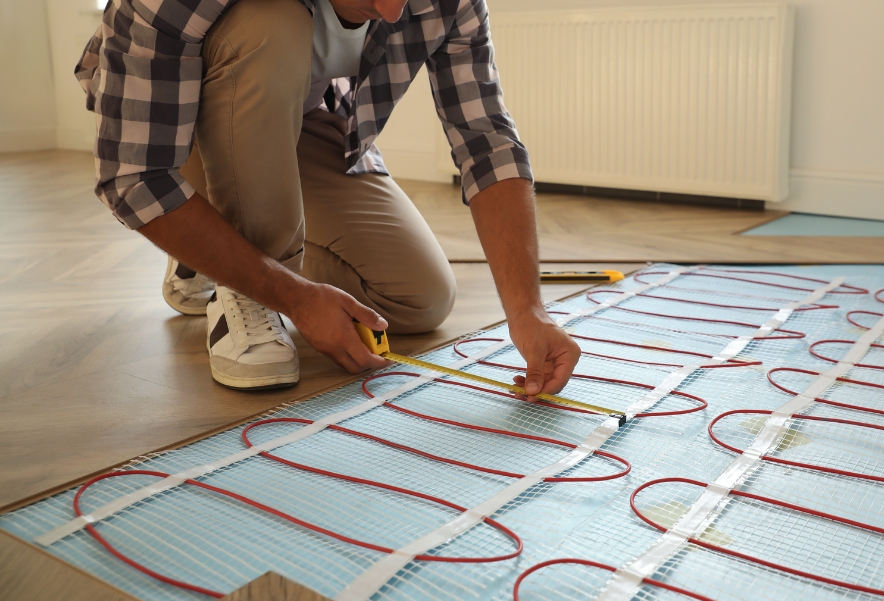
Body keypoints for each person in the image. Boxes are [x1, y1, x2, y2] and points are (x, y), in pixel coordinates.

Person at [76, 0, 579, 395]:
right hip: (179, 126)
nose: (392, 11)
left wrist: (528, 311)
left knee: (418, 298)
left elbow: (485, 141)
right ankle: (242, 286)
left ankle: (211, 250)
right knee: (268, 23)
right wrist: (292, 297)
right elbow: (132, 175)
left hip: (303, 118)